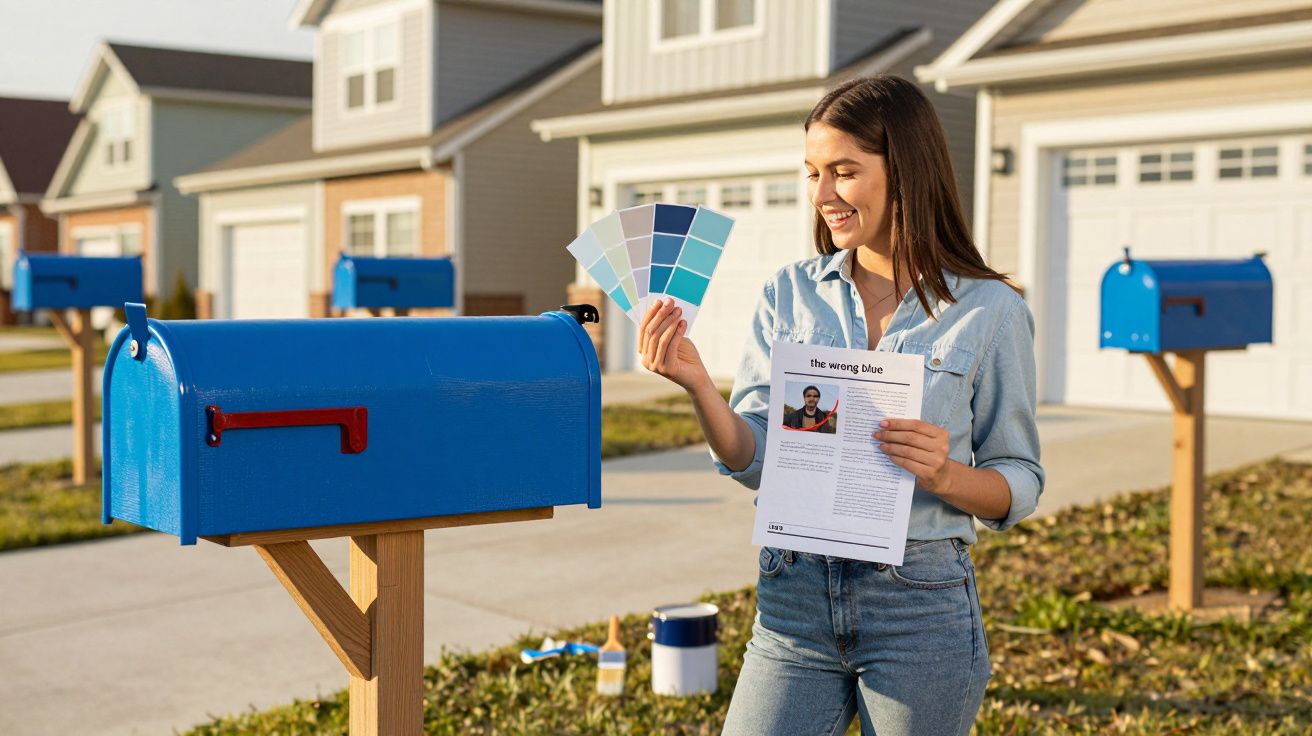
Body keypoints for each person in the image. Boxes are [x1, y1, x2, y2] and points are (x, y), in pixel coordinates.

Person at [636, 75, 1043, 736]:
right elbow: (756, 460)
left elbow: (1019, 482)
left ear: (906, 171)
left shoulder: (990, 311)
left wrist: (945, 475)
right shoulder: (790, 293)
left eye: (844, 172)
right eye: (812, 174)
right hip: (793, 600)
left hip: (920, 605)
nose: (822, 195)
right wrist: (699, 388)